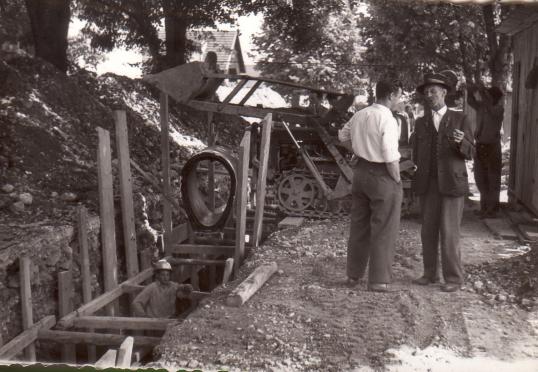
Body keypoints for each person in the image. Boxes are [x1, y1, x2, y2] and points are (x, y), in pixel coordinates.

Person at [338, 79, 403, 292]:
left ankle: (353, 276)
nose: (399, 100)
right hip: (382, 174)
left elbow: (343, 136)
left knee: (359, 226)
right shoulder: (387, 119)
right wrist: (397, 180)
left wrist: (357, 150)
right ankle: (379, 280)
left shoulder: (360, 114)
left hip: (360, 173)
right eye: (399, 96)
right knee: (384, 227)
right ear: (392, 94)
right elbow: (391, 156)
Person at [412, 72, 474, 292]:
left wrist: (462, 143)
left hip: (452, 184)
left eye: (433, 91)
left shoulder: (461, 118)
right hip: (428, 185)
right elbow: (416, 153)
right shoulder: (420, 123)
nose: (429, 95)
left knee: (449, 232)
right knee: (428, 231)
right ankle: (429, 274)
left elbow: (471, 152)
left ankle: (454, 278)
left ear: (444, 93)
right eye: (426, 92)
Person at [466, 83, 504, 218]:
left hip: (492, 146)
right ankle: (484, 207)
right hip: (480, 145)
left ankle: (492, 209)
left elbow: (489, 107)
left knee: (493, 179)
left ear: (494, 98)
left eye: (488, 95)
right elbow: (470, 101)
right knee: (480, 178)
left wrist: (482, 90)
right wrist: (470, 90)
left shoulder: (499, 109)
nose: (485, 97)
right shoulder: (482, 106)